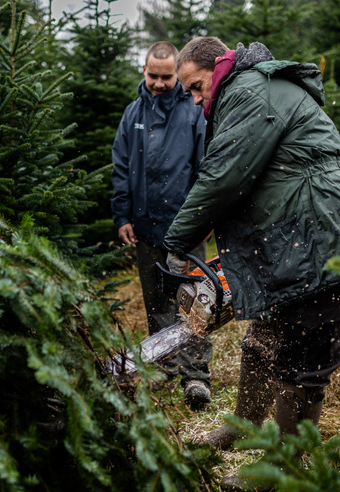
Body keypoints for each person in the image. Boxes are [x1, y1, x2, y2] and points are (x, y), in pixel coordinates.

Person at [163, 37, 340, 451]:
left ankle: (281, 465)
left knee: (306, 357)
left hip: (323, 236)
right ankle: (241, 430)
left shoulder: (249, 92)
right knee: (263, 339)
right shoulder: (242, 92)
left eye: (195, 86)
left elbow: (225, 176)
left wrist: (178, 241)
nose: (192, 99)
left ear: (218, 67)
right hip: (293, 239)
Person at [110, 41, 213, 410]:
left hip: (185, 229)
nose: (158, 82)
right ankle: (164, 368)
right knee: (156, 304)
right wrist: (122, 216)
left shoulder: (193, 113)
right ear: (144, 71)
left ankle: (196, 377)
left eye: (166, 77)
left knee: (193, 304)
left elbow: (206, 170)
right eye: (152, 75)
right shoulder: (132, 114)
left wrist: (203, 219)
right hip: (145, 227)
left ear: (176, 75)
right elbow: (121, 168)